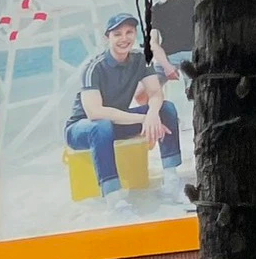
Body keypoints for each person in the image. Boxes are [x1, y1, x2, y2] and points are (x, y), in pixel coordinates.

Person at [65, 14, 182, 200]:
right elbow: (95, 112)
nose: (124, 38)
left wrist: (152, 114)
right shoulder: (94, 67)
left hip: (116, 123)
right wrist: (144, 118)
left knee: (165, 109)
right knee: (102, 125)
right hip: (83, 128)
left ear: (135, 34)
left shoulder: (140, 59)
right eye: (117, 34)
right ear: (107, 38)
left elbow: (154, 92)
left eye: (129, 32)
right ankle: (114, 197)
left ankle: (171, 182)